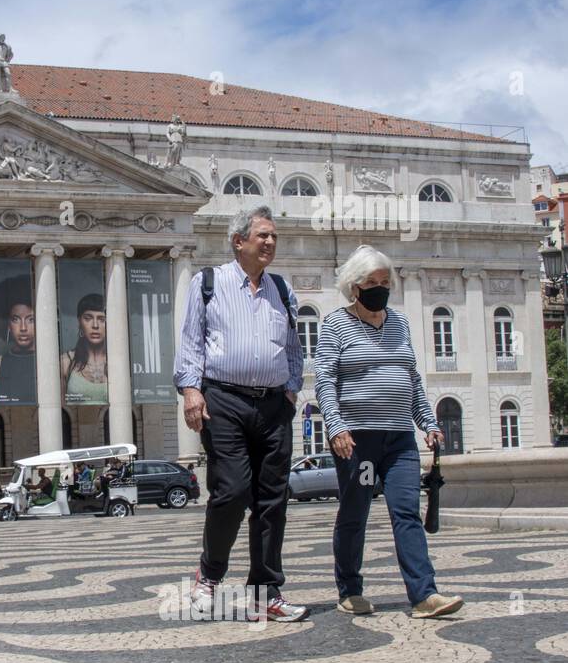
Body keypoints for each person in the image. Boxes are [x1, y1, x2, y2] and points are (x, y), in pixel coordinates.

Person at [172, 205, 309, 622]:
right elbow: (191, 342)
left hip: (272, 404)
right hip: (224, 401)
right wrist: (192, 391)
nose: (270, 242)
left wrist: (290, 389)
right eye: (262, 235)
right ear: (238, 241)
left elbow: (293, 347)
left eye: (273, 236)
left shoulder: (282, 289)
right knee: (231, 491)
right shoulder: (208, 283)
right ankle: (208, 575)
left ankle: (265, 593)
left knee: (273, 500)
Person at [316, 245, 463, 619]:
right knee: (356, 512)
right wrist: (336, 427)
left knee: (406, 512)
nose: (380, 289)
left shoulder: (399, 323)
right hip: (358, 440)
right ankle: (350, 588)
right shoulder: (335, 324)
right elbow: (325, 380)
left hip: (399, 439)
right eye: (372, 282)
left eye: (385, 282)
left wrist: (427, 422)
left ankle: (424, 594)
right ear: (354, 287)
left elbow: (411, 378)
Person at [0, 276, 36, 405]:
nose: (23, 328)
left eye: (30, 320)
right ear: (8, 324)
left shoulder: (54, 364)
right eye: (16, 319)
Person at [60, 293, 108, 403]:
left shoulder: (117, 362)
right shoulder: (66, 362)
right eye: (88, 318)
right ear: (79, 321)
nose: (95, 325)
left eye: (102, 319)